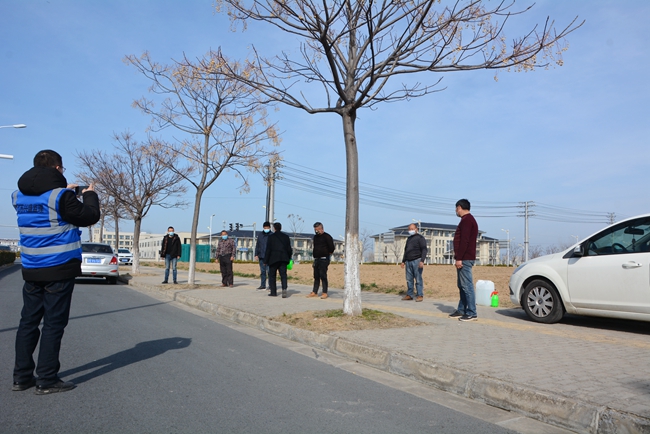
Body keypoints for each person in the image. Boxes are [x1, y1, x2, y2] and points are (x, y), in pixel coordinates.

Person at [11, 150, 100, 395]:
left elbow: (43, 202)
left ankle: (21, 378)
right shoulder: (61, 197)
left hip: (31, 268)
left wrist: (64, 191)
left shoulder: (18, 196)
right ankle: (47, 379)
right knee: (53, 324)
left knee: (28, 322)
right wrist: (89, 195)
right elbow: (89, 216)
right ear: (58, 169)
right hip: (58, 268)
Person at [449, 199, 479, 322]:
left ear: (459, 207)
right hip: (464, 257)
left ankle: (472, 312)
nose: (456, 211)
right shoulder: (467, 220)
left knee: (467, 286)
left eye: (456, 208)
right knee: (462, 286)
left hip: (465, 258)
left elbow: (464, 241)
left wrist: (459, 258)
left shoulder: (467, 220)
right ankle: (461, 309)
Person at [400, 223, 428, 302]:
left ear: (416, 229)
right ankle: (409, 295)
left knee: (418, 279)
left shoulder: (420, 238)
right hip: (408, 261)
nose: (411, 230)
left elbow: (424, 250)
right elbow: (406, 250)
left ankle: (420, 295)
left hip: (417, 260)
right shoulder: (409, 239)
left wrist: (422, 261)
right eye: (409, 229)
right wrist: (403, 261)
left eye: (412, 229)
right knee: (409, 279)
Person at [264, 222, 292, 298]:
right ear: (281, 228)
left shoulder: (271, 237)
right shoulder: (286, 237)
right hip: (283, 259)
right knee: (283, 275)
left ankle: (273, 292)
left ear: (274, 228)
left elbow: (268, 250)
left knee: (272, 276)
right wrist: (289, 257)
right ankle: (284, 289)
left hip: (273, 259)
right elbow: (289, 249)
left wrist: (265, 260)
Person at [307, 222, 335, 299]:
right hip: (316, 259)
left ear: (321, 228)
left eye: (317, 229)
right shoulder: (315, 237)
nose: (316, 231)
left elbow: (332, 248)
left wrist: (327, 253)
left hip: (324, 259)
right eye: (315, 230)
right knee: (316, 276)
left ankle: (324, 292)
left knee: (323, 275)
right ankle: (314, 292)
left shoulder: (327, 237)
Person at [254, 221, 271, 290]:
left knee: (269, 272)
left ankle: (271, 285)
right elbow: (258, 245)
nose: (266, 229)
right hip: (261, 256)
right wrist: (256, 254)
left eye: (267, 227)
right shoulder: (260, 235)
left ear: (270, 227)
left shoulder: (272, 235)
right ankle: (262, 285)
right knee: (263, 271)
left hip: (269, 257)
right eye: (265, 228)